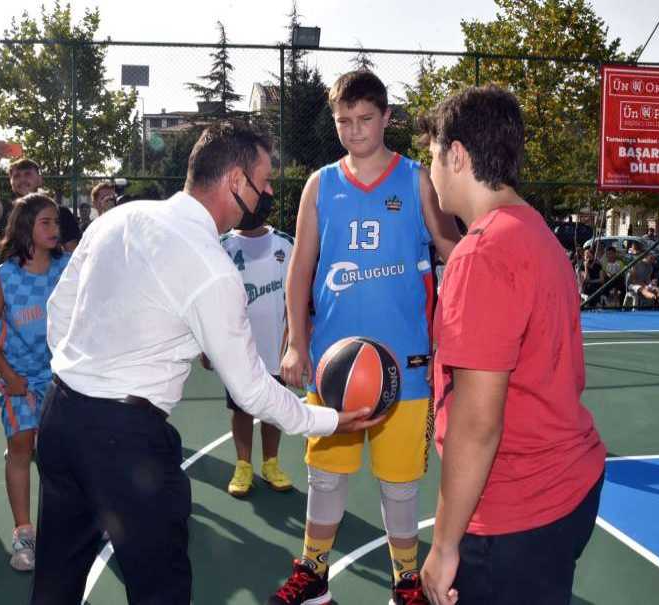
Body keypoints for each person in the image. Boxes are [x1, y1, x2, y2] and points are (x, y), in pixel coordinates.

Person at [32, 123, 379, 604]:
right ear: (236, 180)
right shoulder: (212, 268)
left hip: (60, 416)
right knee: (161, 591)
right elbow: (252, 390)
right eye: (263, 180)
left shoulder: (119, 218)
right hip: (126, 443)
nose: (268, 192)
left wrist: (80, 374)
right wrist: (330, 420)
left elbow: (59, 310)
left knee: (55, 581)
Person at [271, 70, 461, 605]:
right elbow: (300, 269)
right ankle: (314, 574)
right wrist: (296, 341)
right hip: (336, 366)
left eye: (365, 119)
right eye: (344, 121)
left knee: (400, 485)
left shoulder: (417, 180)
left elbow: (453, 249)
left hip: (406, 366)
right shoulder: (320, 185)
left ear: (387, 117)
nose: (354, 130)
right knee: (325, 476)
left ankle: (405, 580)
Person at [416, 84, 606, 605]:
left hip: (513, 512)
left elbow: (478, 424)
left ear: (457, 156)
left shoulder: (481, 254)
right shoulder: (535, 231)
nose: (430, 170)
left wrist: (444, 545)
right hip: (567, 486)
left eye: (433, 156)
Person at [0, 194, 70, 571]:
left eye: (56, 222)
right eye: (46, 222)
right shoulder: (6, 277)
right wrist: (9, 376)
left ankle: (62, 527)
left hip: (61, 377)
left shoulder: (67, 268)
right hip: (19, 379)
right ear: (26, 227)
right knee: (20, 446)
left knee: (56, 453)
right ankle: (24, 533)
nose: (54, 229)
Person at [206, 218, 296, 497]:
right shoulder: (220, 246)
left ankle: (271, 463)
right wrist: (206, 345)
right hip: (238, 347)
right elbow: (210, 300)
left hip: (276, 345)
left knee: (274, 408)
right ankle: (243, 466)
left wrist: (295, 342)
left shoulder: (286, 244)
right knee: (241, 408)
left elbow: (297, 296)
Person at [0, 141, 82, 251]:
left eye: (28, 174)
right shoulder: (6, 209)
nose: (22, 179)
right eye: (16, 176)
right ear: (11, 183)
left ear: (40, 180)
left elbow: (73, 254)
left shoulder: (61, 212)